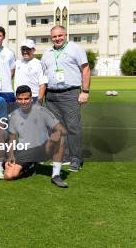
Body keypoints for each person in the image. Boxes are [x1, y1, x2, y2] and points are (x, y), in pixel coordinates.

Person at [41, 25, 90, 172]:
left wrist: (85, 91)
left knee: (73, 127)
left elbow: (86, 69)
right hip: (51, 94)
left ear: (65, 35)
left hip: (70, 93)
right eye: (54, 37)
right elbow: (43, 74)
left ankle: (76, 159)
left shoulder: (75, 48)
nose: (57, 39)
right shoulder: (47, 53)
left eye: (60, 35)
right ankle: (64, 156)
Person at [4, 85, 69, 188]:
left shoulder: (42, 111)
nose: (23, 101)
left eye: (26, 99)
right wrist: (10, 156)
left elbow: (62, 130)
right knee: (8, 175)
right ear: (16, 100)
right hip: (25, 150)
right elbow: (12, 138)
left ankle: (56, 175)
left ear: (31, 99)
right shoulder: (14, 116)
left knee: (60, 137)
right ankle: (30, 167)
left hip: (44, 148)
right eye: (20, 99)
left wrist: (54, 135)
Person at [14, 39, 47, 103]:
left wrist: (39, 101)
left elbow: (43, 85)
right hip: (18, 98)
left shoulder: (39, 64)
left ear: (33, 50)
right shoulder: (17, 63)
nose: (25, 51)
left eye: (28, 49)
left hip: (33, 98)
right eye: (23, 49)